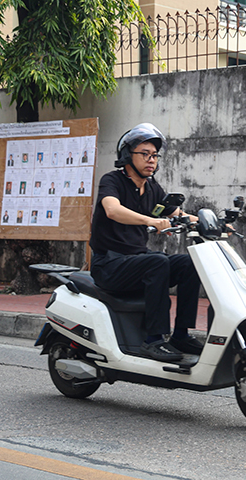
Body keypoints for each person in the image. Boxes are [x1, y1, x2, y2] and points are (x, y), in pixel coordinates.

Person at [89, 123, 202, 362]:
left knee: (190, 264)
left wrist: (209, 221)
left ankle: (181, 334)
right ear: (127, 156)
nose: (151, 160)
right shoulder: (112, 181)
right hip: (109, 264)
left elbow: (178, 214)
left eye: (154, 155)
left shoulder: (152, 188)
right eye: (144, 154)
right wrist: (150, 220)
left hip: (136, 262)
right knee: (158, 261)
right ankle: (153, 340)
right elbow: (112, 210)